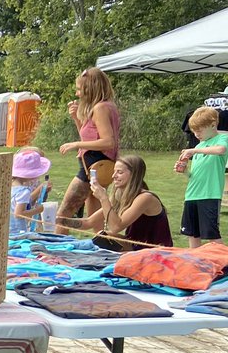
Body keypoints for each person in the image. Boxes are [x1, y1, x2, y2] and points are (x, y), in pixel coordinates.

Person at [57, 154, 172, 250]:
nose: (113, 176)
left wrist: (103, 198)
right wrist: (57, 219)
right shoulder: (120, 196)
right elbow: (89, 222)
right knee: (102, 238)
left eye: (119, 172)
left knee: (101, 240)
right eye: (114, 172)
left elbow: (116, 227)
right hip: (136, 245)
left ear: (134, 175)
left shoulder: (145, 198)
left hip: (156, 250)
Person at [56, 67, 121, 231]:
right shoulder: (106, 106)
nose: (77, 94)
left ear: (90, 88)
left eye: (79, 89)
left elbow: (108, 142)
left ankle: (55, 250)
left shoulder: (100, 108)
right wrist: (77, 119)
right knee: (94, 218)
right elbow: (89, 138)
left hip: (93, 167)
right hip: (96, 166)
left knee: (63, 215)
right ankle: (101, 248)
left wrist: (76, 145)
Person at [175, 105, 228, 248]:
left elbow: (221, 150)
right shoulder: (200, 145)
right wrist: (184, 171)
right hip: (192, 195)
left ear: (213, 125)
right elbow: (194, 174)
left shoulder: (222, 139)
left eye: (199, 130)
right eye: (194, 131)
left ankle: (225, 262)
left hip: (209, 195)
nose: (196, 134)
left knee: (212, 235)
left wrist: (194, 150)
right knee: (192, 233)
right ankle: (195, 262)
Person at [9, 148, 52, 234]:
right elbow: (18, 214)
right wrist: (38, 210)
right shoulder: (24, 191)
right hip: (18, 232)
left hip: (8, 230)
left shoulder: (9, 186)